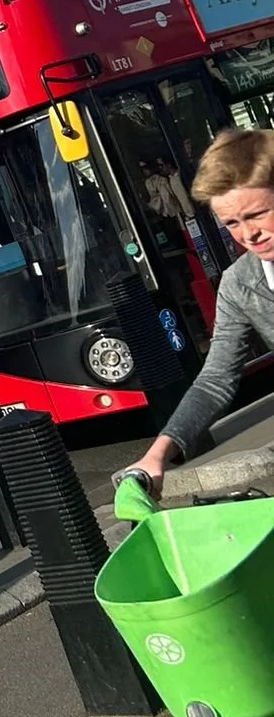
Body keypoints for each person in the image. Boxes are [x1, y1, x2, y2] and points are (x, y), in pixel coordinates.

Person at [131, 127, 274, 496]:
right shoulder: (240, 284)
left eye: (257, 214)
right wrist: (158, 455)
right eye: (231, 223)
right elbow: (215, 380)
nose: (248, 235)